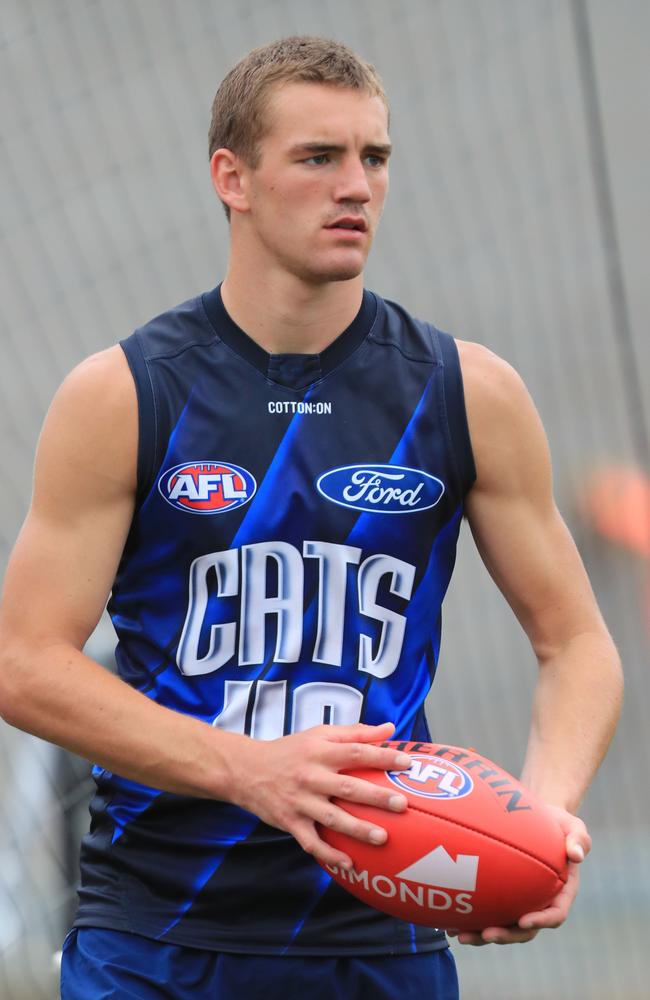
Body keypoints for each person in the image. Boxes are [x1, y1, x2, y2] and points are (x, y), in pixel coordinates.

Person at [0, 36, 623, 1000]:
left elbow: (578, 643)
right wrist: (247, 769)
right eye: (319, 157)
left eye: (374, 158)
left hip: (382, 935)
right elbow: (22, 661)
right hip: (157, 935)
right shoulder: (125, 393)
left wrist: (537, 822)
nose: (357, 187)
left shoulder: (466, 392)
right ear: (233, 178)